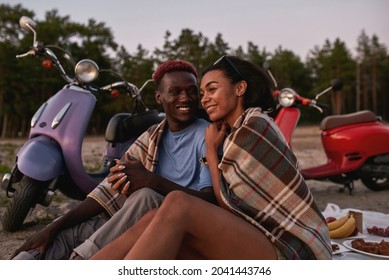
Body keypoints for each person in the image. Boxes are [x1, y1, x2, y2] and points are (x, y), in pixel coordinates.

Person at [90, 55, 332, 260]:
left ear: (239, 89)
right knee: (157, 216)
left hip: (290, 249)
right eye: (203, 92)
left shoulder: (254, 126)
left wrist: (209, 151)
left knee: (178, 203)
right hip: (257, 239)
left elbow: (225, 203)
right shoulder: (232, 128)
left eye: (212, 90)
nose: (204, 99)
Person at [11, 59, 215, 260]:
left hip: (174, 228)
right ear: (159, 97)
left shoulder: (206, 135)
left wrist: (153, 182)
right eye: (175, 91)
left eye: (191, 90)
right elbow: (106, 192)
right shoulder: (152, 136)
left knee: (145, 195)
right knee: (57, 241)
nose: (186, 97)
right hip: (134, 222)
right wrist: (54, 226)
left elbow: (210, 200)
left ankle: (82, 261)